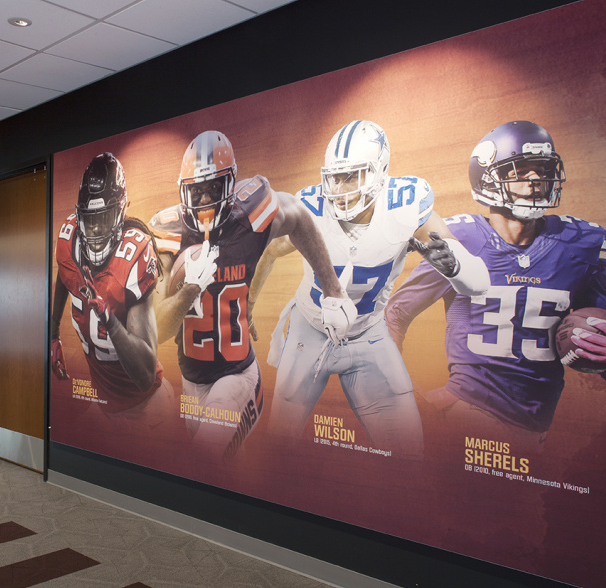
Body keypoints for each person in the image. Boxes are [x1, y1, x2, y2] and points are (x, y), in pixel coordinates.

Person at [386, 121, 606, 452]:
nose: (536, 180)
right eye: (522, 170)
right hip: (465, 414)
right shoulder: (460, 239)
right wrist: (396, 393)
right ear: (488, 177)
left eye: (543, 170)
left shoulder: (575, 246)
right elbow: (395, 314)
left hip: (534, 431)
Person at [248, 120, 489, 459]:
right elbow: (271, 250)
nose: (340, 187)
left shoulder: (404, 207)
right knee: (278, 444)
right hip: (310, 329)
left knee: (408, 449)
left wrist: (456, 265)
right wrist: (248, 302)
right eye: (335, 176)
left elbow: (479, 282)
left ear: (380, 173)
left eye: (352, 175)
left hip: (367, 333)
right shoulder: (313, 208)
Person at [150, 130, 349, 460]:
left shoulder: (251, 216)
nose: (203, 200)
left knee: (204, 459)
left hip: (237, 378)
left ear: (230, 184)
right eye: (196, 190)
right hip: (192, 381)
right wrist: (192, 289)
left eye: (213, 188)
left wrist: (334, 290)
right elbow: (158, 330)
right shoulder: (169, 235)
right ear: (182, 190)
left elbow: (299, 216)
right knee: (220, 469)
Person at [51, 152, 173, 426]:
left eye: (103, 219)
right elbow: (65, 270)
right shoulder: (69, 240)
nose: (93, 231)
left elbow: (144, 378)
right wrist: (52, 333)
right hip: (106, 404)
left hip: (148, 408)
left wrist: (111, 322)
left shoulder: (133, 257)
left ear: (120, 212)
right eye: (89, 219)